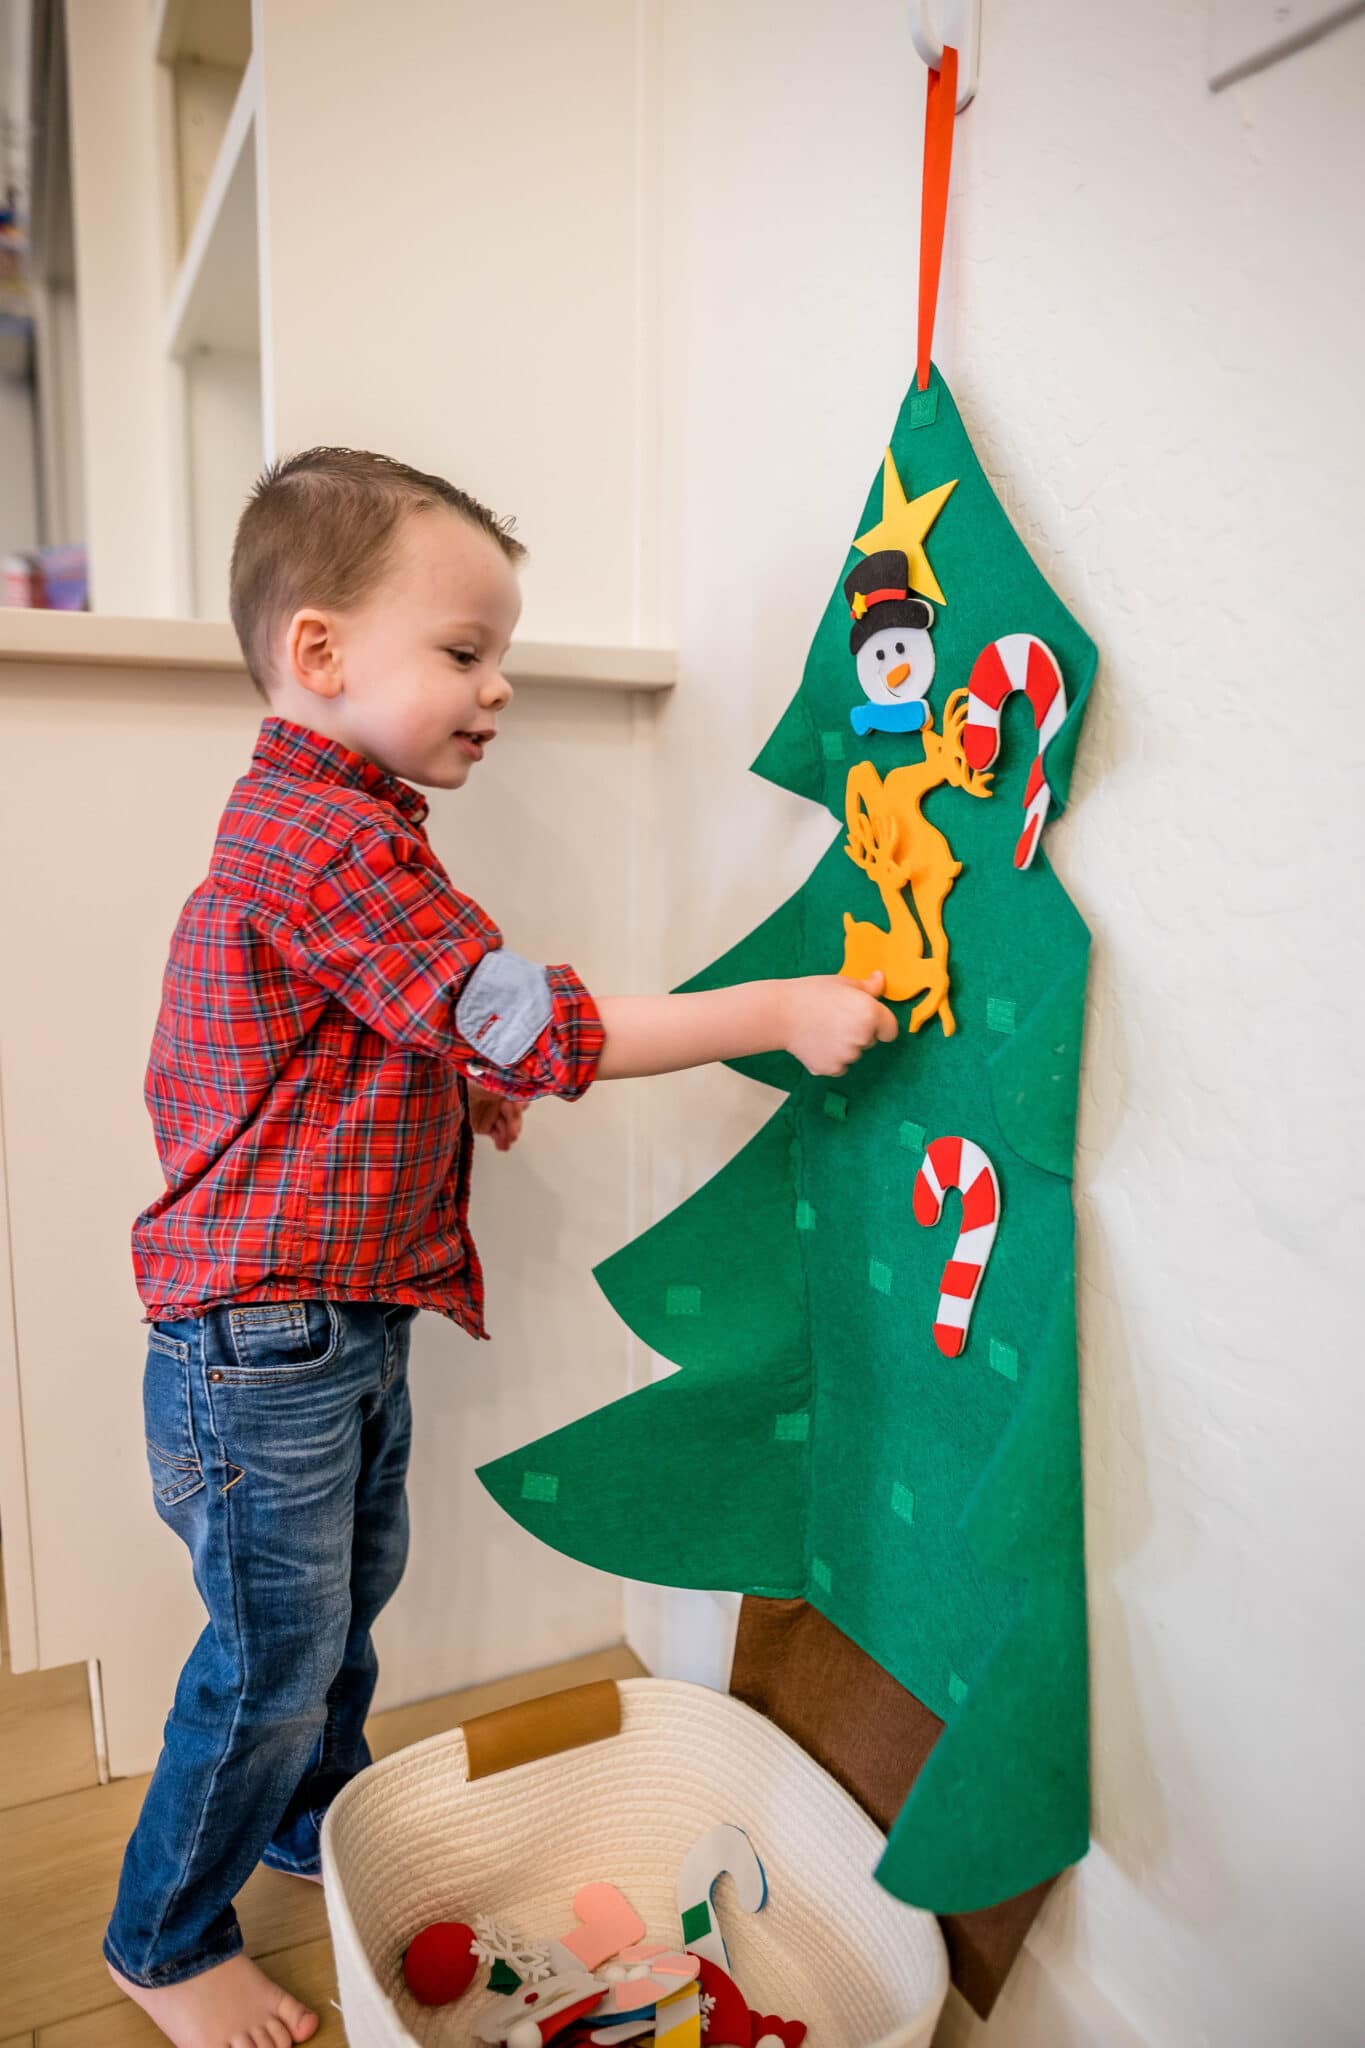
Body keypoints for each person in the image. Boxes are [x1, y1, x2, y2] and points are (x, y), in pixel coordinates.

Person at [103, 447, 895, 2047]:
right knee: (269, 1654)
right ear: (320, 652)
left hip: (323, 1325)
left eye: (499, 654)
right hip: (259, 1345)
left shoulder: (345, 835)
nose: (499, 688)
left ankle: (296, 1822)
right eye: (463, 653)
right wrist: (769, 1012)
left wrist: (452, 1077)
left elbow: (359, 1027)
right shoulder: (318, 840)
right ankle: (161, 1938)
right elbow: (530, 1022)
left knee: (341, 1609)